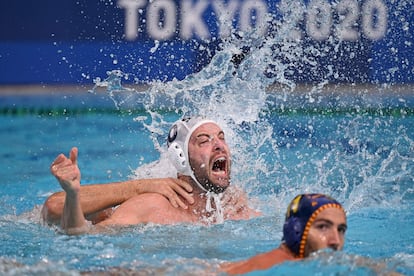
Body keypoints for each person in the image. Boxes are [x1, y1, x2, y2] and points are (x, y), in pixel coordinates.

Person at [43, 116, 260, 234]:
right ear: (180, 158)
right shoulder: (151, 206)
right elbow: (80, 237)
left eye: (221, 138)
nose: (219, 146)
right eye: (204, 141)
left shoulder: (233, 208)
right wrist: (72, 194)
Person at [222, 193, 347, 274]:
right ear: (296, 230)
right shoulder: (268, 266)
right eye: (323, 227)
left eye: (341, 229)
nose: (335, 241)